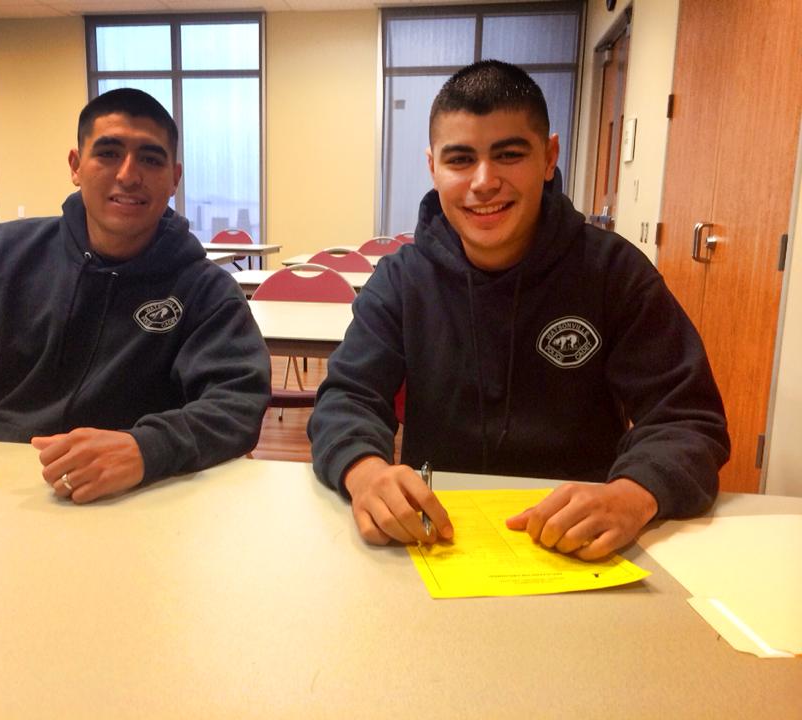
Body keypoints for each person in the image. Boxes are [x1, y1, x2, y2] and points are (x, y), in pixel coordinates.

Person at [308, 60, 729, 558]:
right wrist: (366, 471)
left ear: (550, 157)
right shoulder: (402, 280)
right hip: (437, 543)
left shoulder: (614, 273)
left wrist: (633, 494)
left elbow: (688, 419)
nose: (483, 182)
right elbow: (346, 399)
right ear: (433, 168)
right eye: (460, 160)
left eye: (509, 155)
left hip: (581, 546)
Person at [0, 88, 271, 503]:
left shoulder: (205, 291)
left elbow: (237, 402)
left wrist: (146, 448)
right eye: (108, 153)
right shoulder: (0, 255)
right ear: (76, 165)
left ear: (174, 178)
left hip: (133, 500)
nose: (128, 174)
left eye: (151, 158)